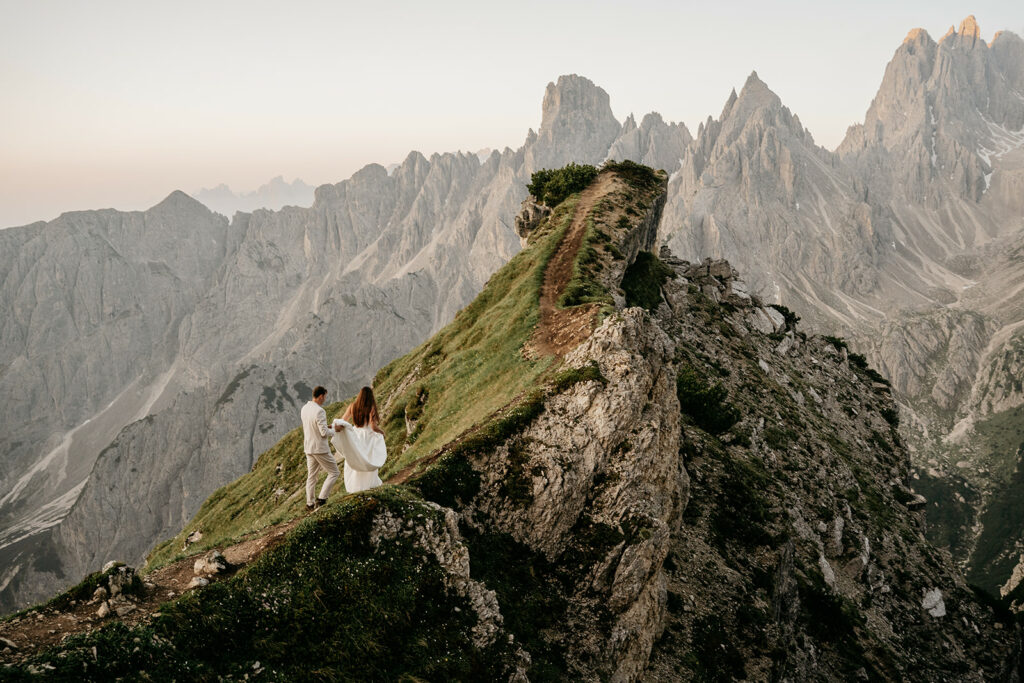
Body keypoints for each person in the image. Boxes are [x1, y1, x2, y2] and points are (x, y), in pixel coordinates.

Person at [331, 386, 388, 493]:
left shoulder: (352, 407)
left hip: (355, 435)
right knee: (368, 460)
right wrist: (382, 432)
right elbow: (373, 427)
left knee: (356, 459)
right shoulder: (371, 408)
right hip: (367, 437)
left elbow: (343, 422)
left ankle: (355, 487)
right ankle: (369, 484)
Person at [300, 385, 341, 511]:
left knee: (311, 477)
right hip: (320, 449)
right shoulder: (320, 411)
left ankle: (310, 504)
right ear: (321, 396)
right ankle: (322, 499)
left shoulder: (305, 408)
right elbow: (323, 433)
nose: (325, 400)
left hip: (308, 447)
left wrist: (326, 426)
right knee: (334, 472)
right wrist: (335, 429)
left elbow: (313, 426)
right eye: (325, 397)